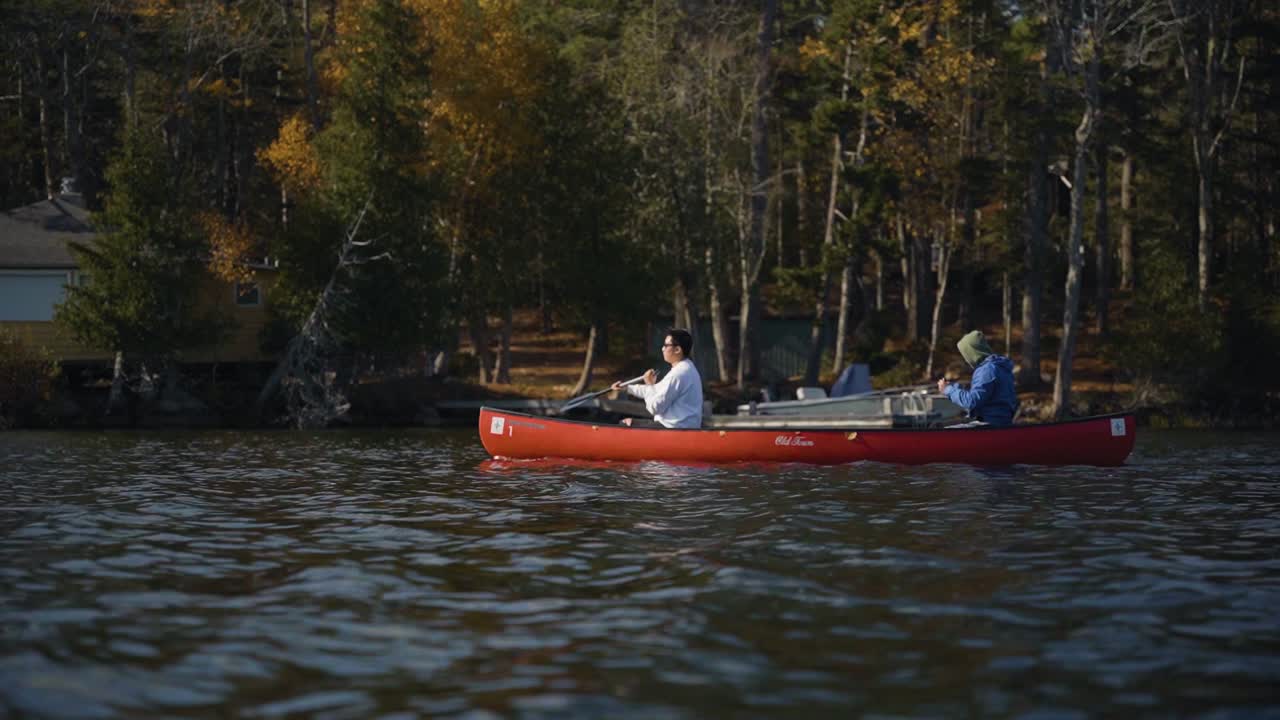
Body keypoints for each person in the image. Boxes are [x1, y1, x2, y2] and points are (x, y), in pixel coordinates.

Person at [612, 328, 704, 429]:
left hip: (674, 429)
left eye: (666, 345)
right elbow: (657, 391)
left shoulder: (678, 374)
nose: (662, 349)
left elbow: (654, 408)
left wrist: (649, 385)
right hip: (680, 428)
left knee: (625, 423)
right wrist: (627, 388)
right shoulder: (687, 367)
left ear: (677, 349)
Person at [937, 330, 1017, 426]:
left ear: (973, 352)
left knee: (942, 430)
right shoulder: (1000, 367)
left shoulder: (987, 370)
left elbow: (972, 402)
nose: (966, 360)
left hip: (991, 424)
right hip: (1002, 422)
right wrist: (955, 388)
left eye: (966, 355)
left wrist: (948, 390)